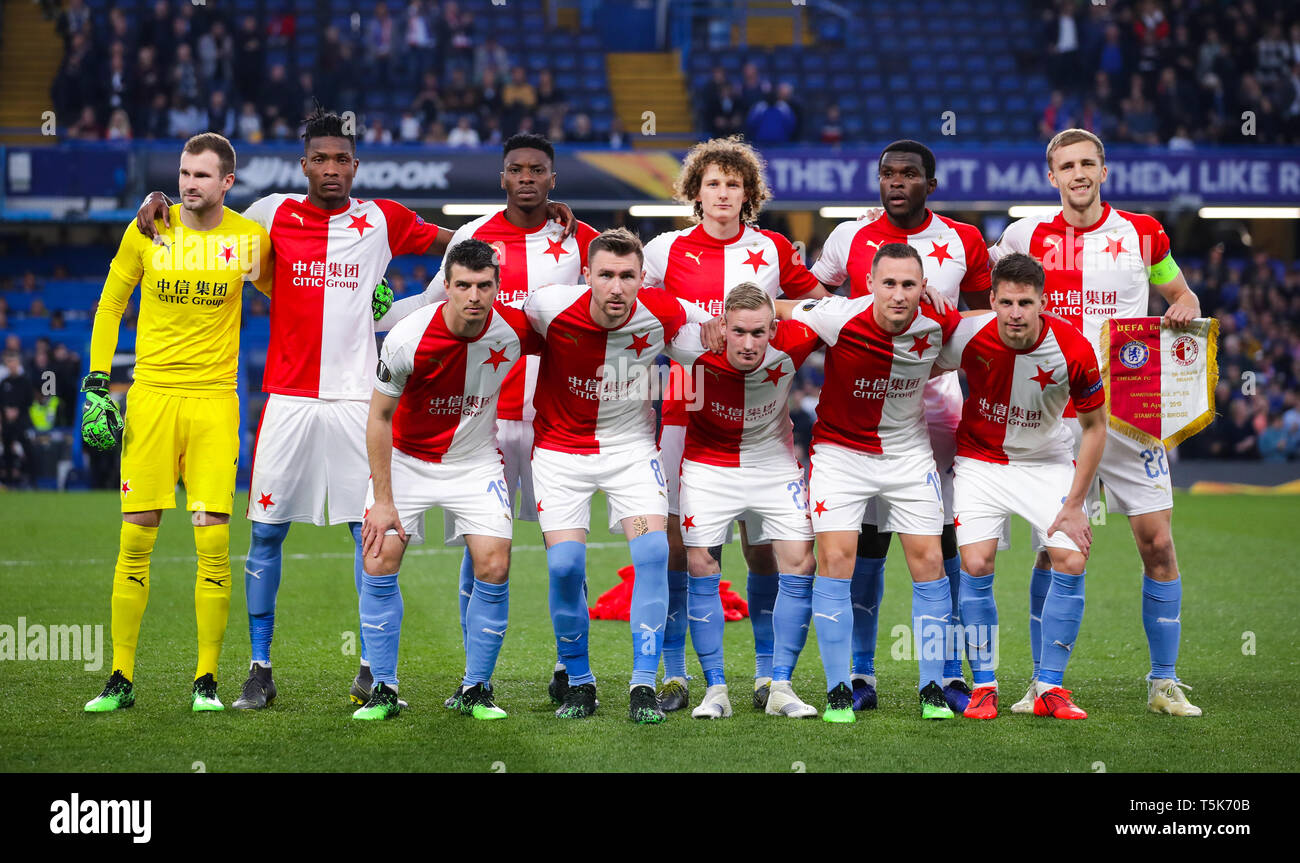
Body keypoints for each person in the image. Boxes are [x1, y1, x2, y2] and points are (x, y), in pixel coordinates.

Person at [130, 107, 456, 711]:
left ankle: (370, 669)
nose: (330, 169)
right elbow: (202, 216)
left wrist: (533, 228)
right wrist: (156, 196)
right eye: (320, 159)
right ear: (303, 164)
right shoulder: (270, 214)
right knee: (267, 533)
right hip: (287, 399)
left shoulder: (382, 219)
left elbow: (460, 243)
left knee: (373, 535)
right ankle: (260, 668)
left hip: (359, 400)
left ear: (355, 166)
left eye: (341, 160)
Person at [989, 128, 1203, 717]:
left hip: (1130, 409)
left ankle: (1164, 683)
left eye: (1088, 163)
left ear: (1103, 171)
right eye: (1067, 165)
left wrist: (1185, 305)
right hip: (1054, 411)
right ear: (1050, 176)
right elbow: (993, 305)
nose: (1078, 173)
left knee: (1157, 542)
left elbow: (1181, 294)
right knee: (1053, 546)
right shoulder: (1022, 235)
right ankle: (1042, 683)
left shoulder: (1143, 233)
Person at [385, 133, 595, 706]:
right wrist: (369, 317)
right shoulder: (476, 236)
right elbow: (434, 304)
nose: (526, 178)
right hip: (482, 422)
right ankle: (474, 676)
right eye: (516, 169)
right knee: (480, 551)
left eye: (538, 170)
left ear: (553, 179)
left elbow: (626, 284)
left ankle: (566, 666)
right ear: (502, 177)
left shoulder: (580, 241)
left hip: (558, 419)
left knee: (563, 550)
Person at [83, 133, 273, 713]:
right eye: (184, 173)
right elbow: (111, 304)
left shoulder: (247, 240)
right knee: (135, 535)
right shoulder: (148, 228)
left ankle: (206, 681)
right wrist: (96, 383)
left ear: (227, 183)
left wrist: (367, 294)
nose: (190, 183)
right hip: (151, 397)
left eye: (202, 175)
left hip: (215, 402)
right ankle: (120, 678)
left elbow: (294, 292)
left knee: (212, 540)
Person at [641, 135, 826, 713]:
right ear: (695, 191)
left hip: (762, 420)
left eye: (733, 183)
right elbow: (635, 302)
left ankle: (770, 677)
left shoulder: (772, 248)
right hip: (683, 408)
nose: (723, 193)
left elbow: (815, 302)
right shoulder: (666, 248)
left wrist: (762, 323)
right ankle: (676, 673)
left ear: (750, 193)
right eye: (712, 183)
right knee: (678, 545)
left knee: (763, 550)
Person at [811, 139, 992, 714]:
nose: (896, 183)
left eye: (909, 174)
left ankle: (950, 676)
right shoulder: (849, 236)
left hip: (934, 407)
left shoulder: (963, 239)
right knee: (866, 545)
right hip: (861, 415)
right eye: (887, 174)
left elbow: (983, 324)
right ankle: (859, 674)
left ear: (928, 185)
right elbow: (809, 296)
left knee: (944, 548)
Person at [523, 228, 710, 724]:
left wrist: (720, 327)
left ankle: (643, 685)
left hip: (631, 453)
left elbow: (711, 322)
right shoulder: (548, 306)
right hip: (561, 454)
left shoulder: (662, 310)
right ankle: (580, 682)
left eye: (627, 276)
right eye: (605, 275)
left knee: (651, 552)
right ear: (587, 276)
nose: (616, 287)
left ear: (641, 278)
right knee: (564, 567)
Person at [777, 243, 963, 722]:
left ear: (924, 287)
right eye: (889, 284)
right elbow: (775, 308)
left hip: (907, 455)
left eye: (909, 284)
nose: (898, 295)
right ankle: (840, 689)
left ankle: (933, 689)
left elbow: (997, 328)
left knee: (929, 562)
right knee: (837, 559)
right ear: (870, 285)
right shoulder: (837, 315)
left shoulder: (942, 323)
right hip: (841, 456)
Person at [355, 239, 540, 720]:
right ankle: (384, 690)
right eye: (463, 286)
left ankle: (475, 689)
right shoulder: (407, 336)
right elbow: (378, 418)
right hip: (406, 459)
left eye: (484, 286)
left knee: (495, 566)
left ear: (499, 287)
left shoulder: (514, 330)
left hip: (474, 460)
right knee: (378, 559)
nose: (474, 296)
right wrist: (383, 500)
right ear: (447, 287)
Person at [936, 253, 1108, 720]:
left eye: (1025, 303)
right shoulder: (969, 334)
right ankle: (984, 686)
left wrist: (1076, 504)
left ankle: (1050, 687)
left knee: (1071, 557)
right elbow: (921, 361)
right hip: (979, 461)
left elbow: (1095, 427)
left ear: (1043, 302)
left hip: (1047, 460)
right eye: (1006, 302)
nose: (1015, 313)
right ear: (991, 300)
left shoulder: (1073, 347)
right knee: (974, 561)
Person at [665, 283, 821, 718]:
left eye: (759, 333)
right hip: (707, 468)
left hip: (773, 465)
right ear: (722, 325)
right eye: (738, 332)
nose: (749, 344)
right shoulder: (691, 342)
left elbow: (842, 309)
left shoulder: (797, 339)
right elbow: (647, 311)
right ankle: (715, 690)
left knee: (800, 562)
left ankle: (780, 685)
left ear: (774, 328)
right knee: (700, 564)